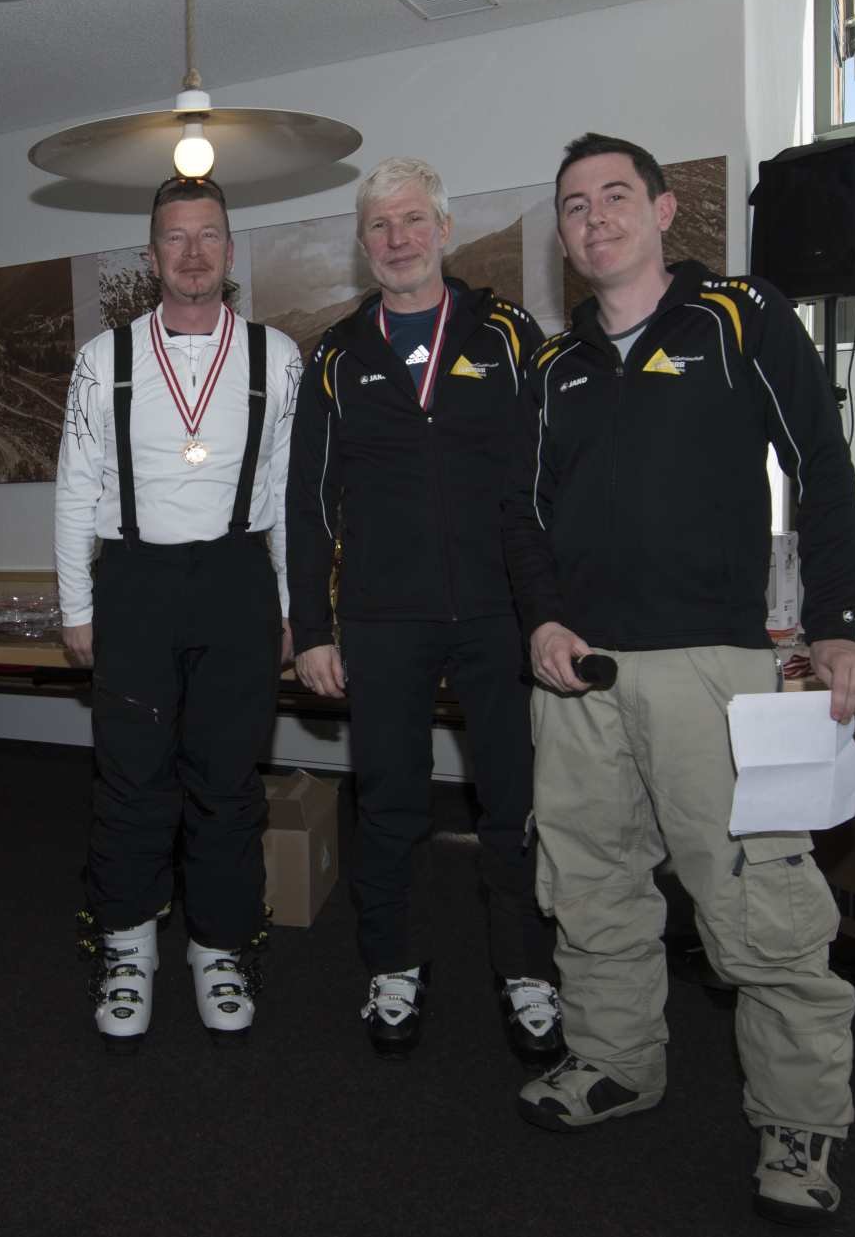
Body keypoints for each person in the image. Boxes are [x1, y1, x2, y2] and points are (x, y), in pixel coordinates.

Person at [508, 134, 855, 1227]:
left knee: (759, 907)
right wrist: (541, 618)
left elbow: (820, 466)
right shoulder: (552, 366)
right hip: (578, 677)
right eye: (574, 205)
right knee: (589, 887)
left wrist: (834, 625)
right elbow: (520, 516)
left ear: (665, 210)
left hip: (711, 668)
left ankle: (798, 1120)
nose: (595, 218)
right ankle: (614, 1059)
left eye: (615, 195)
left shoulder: (738, 315)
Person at [285, 156, 562, 1064]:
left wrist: (553, 606)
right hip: (383, 618)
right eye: (379, 225)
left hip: (498, 613)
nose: (397, 238)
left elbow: (545, 477)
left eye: (412, 220)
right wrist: (313, 629)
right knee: (390, 802)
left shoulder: (508, 332)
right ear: (363, 245)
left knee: (514, 802)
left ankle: (528, 969)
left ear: (444, 229)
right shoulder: (336, 354)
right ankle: (394, 963)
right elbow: (309, 503)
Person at [55, 174, 301, 1051]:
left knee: (229, 781)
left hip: (237, 579)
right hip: (135, 583)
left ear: (229, 250)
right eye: (174, 237)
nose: (192, 252)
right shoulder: (104, 358)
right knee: (131, 778)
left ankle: (220, 946)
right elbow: (75, 488)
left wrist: (290, 609)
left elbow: (286, 495)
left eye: (207, 236)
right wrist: (76, 606)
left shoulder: (277, 356)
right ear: (152, 254)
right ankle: (127, 946)